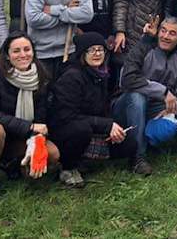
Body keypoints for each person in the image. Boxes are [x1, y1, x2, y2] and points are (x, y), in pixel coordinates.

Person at [0, 31, 61, 198]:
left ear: (33, 52)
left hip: (24, 136)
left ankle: (15, 165)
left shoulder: (42, 75)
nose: (23, 55)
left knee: (52, 153)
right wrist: (29, 127)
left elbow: (43, 114)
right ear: (8, 55)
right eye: (16, 51)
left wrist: (36, 138)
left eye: (27, 49)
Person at [49, 32, 135, 187]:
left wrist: (112, 127)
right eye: (92, 50)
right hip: (64, 130)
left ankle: (84, 159)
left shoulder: (101, 74)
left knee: (129, 143)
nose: (97, 54)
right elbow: (67, 116)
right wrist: (106, 125)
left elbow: (103, 108)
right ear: (82, 53)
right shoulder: (71, 76)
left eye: (100, 50)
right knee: (81, 130)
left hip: (91, 124)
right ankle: (67, 167)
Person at [114, 16, 177, 170]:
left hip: (157, 109)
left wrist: (172, 108)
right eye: (163, 31)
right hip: (128, 105)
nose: (165, 36)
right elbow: (128, 79)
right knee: (137, 97)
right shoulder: (144, 47)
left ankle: (148, 139)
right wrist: (163, 92)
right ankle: (137, 157)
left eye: (172, 33)